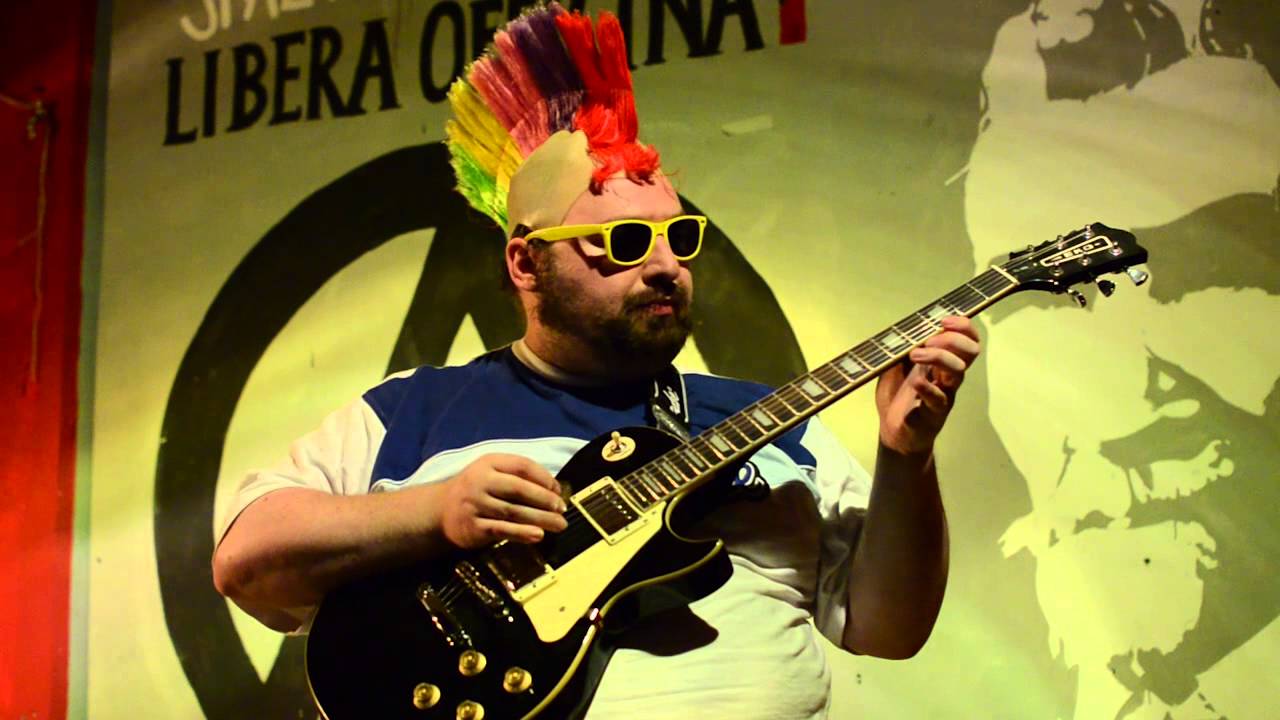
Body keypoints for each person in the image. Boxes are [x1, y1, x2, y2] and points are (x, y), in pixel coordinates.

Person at [212, 4, 981, 717]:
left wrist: (906, 456)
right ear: (525, 263)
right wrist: (434, 511)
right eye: (623, 242)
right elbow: (246, 557)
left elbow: (887, 627)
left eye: (678, 237)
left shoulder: (772, 422)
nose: (665, 267)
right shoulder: (414, 411)